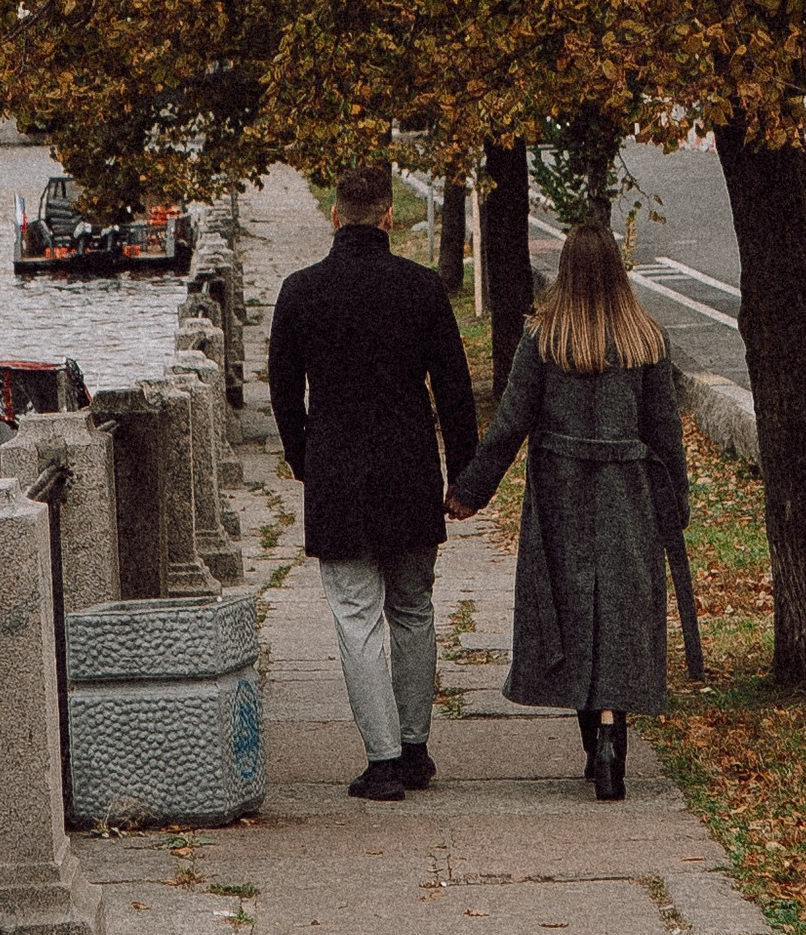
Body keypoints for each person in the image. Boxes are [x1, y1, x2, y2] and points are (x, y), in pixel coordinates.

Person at [444, 223, 698, 803]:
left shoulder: (543, 339)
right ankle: (612, 733)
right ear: (617, 271)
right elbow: (666, 435)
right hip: (626, 490)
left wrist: (469, 490)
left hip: (560, 492)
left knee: (570, 608)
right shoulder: (645, 341)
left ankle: (592, 740)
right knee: (618, 610)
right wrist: (674, 507)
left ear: (565, 270)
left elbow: (511, 424)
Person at [267, 162, 479, 801]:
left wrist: (305, 460)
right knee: (413, 610)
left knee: (356, 616)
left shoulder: (300, 292)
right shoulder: (422, 289)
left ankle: (383, 759)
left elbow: (284, 393)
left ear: (335, 216)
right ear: (389, 217)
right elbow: (454, 388)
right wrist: (464, 472)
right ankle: (415, 747)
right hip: (410, 467)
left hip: (337, 472)